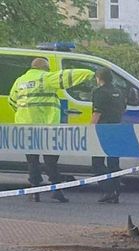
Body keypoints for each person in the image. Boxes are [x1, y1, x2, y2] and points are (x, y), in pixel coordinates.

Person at [9, 58, 94, 202]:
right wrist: (90, 73)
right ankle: (56, 190)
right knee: (51, 161)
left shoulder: (19, 81)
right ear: (45, 68)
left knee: (32, 161)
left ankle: (35, 191)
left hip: (26, 127)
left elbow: (12, 101)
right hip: (48, 127)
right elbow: (68, 76)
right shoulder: (46, 78)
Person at [90, 68, 126, 204]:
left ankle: (108, 190)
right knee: (113, 162)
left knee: (97, 163)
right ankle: (116, 190)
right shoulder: (119, 92)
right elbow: (123, 109)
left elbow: (96, 114)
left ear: (99, 78)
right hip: (116, 128)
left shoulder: (99, 92)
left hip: (103, 130)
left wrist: (90, 130)